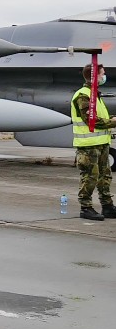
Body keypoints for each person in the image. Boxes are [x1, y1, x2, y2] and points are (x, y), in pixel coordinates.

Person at [71, 63, 116, 220]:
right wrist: (113, 122)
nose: (104, 76)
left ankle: (107, 206)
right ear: (94, 76)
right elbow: (92, 121)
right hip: (88, 146)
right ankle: (86, 208)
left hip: (102, 143)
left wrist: (111, 119)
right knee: (90, 176)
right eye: (102, 74)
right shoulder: (83, 96)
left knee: (105, 176)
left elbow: (100, 117)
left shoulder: (95, 95)